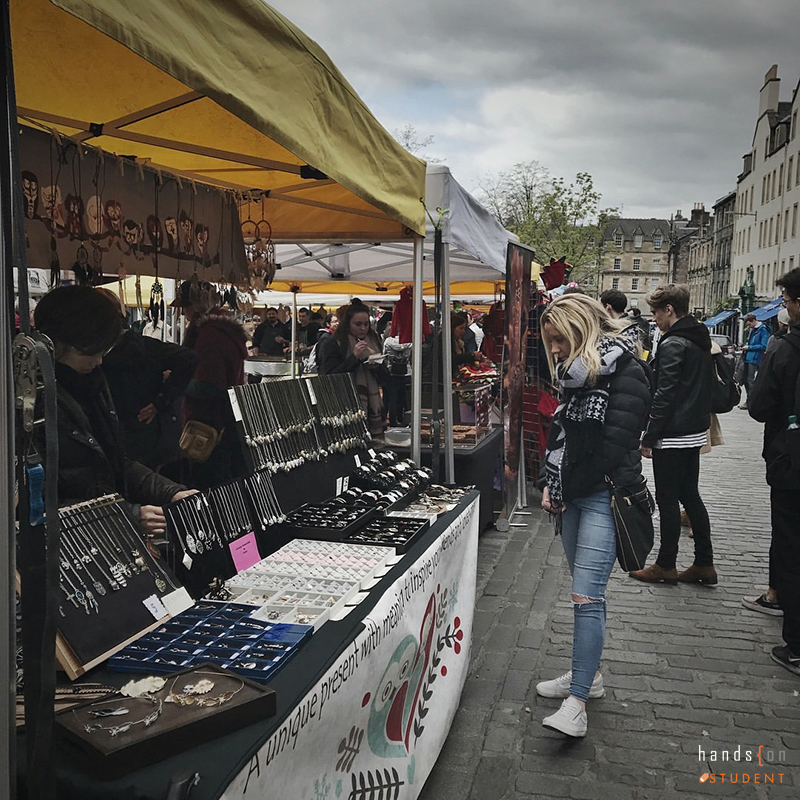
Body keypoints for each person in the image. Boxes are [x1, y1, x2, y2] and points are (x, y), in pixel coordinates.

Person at [536, 294, 651, 737]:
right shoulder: (574, 376)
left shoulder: (628, 370)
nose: (557, 351)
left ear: (583, 328)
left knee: (587, 597)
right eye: (552, 344)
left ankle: (578, 700)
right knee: (586, 595)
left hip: (605, 495)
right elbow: (560, 433)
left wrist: (563, 485)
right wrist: (552, 482)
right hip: (573, 494)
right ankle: (590, 676)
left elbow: (614, 446)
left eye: (561, 340)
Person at [33, 286, 195, 537]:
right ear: (55, 344)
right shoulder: (32, 404)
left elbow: (116, 463)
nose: (98, 361)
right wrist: (129, 516)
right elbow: (40, 501)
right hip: (70, 544)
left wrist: (169, 491)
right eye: (89, 352)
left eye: (102, 351)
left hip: (105, 533)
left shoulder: (93, 384)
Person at [630, 284, 716, 586]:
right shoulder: (699, 337)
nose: (653, 318)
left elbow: (664, 394)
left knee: (668, 499)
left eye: (656, 312)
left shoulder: (673, 343)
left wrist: (649, 436)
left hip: (673, 431)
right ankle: (704, 562)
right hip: (693, 429)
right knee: (690, 496)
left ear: (669, 309)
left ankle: (666, 564)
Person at [748, 267, 800, 675]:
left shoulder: (783, 349)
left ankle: (795, 642)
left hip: (790, 459)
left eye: (786, 301)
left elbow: (762, 407)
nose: (784, 307)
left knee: (790, 541)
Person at [97, 288, 198, 472]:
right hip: (121, 435)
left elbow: (189, 359)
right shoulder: (112, 347)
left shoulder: (141, 347)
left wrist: (161, 400)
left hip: (139, 437)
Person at [173, 279, 248, 489]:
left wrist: (176, 380)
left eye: (184, 307)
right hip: (224, 424)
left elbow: (209, 387)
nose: (183, 314)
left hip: (208, 428)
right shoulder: (223, 330)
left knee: (207, 489)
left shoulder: (210, 335)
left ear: (195, 306)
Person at [318, 299, 387, 436]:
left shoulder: (373, 341)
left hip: (371, 407)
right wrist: (354, 358)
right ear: (347, 324)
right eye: (358, 324)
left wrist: (376, 366)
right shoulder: (334, 342)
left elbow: (386, 378)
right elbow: (329, 375)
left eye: (366, 324)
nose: (363, 328)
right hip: (343, 405)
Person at [740, 312, 770, 409]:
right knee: (745, 379)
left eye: (749, 324)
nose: (749, 326)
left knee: (750, 380)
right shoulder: (752, 330)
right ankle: (749, 400)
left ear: (753, 321)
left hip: (755, 358)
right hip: (748, 357)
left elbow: (763, 346)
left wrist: (749, 347)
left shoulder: (763, 330)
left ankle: (752, 401)